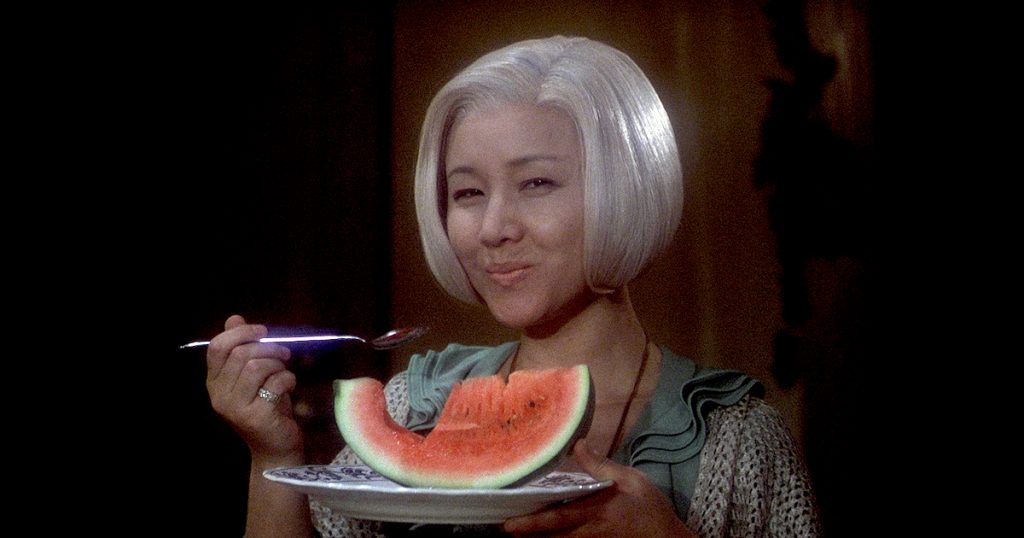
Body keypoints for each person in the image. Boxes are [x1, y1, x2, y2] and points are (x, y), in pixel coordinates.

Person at [205, 35, 821, 537]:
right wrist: (274, 455)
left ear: (622, 187)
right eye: (468, 193)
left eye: (536, 184)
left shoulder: (736, 440)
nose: (493, 229)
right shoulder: (413, 407)